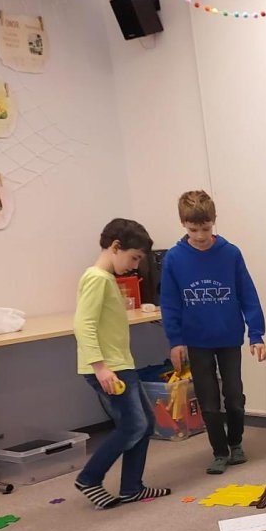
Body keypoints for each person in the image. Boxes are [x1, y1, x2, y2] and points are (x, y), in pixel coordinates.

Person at [160, 190, 266, 475]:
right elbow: (169, 302)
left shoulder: (230, 253)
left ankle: (236, 443)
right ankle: (219, 452)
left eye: (206, 228)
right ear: (183, 224)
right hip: (196, 341)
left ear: (214, 221)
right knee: (208, 401)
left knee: (234, 395)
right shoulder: (174, 258)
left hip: (228, 337)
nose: (200, 236)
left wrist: (256, 334)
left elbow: (248, 294)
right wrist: (175, 341)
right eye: (193, 229)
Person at [73, 218, 171, 509]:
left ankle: (131, 487)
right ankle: (89, 478)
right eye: (134, 257)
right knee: (132, 425)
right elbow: (83, 324)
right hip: (109, 368)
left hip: (120, 364)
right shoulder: (97, 278)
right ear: (116, 247)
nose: (135, 266)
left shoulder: (106, 279)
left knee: (145, 423)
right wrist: (100, 367)